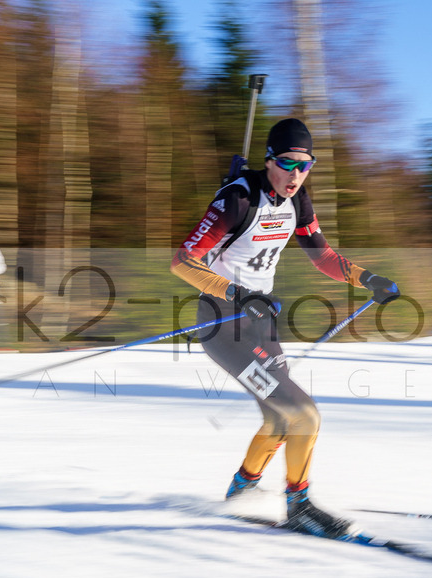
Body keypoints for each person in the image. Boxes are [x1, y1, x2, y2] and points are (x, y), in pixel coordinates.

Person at [171, 118, 400, 539]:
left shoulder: (298, 202)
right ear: (269, 161)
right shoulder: (237, 199)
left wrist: (367, 278)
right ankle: (300, 507)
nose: (296, 175)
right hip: (224, 323)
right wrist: (237, 294)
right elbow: (183, 261)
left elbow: (323, 255)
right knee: (305, 414)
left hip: (260, 322)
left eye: (305, 165)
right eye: (287, 164)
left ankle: (243, 490)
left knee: (280, 418)